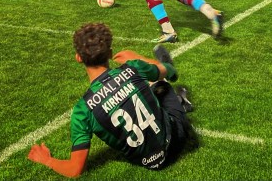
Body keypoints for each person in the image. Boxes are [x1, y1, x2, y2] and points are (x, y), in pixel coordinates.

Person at [27, 23, 192, 176]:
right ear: (111, 53)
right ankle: (181, 102)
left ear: (78, 57)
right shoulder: (133, 67)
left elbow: (75, 170)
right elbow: (167, 71)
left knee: (143, 84)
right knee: (159, 85)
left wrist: (47, 160)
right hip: (177, 140)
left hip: (150, 163)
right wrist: (137, 58)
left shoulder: (82, 111)